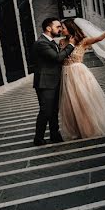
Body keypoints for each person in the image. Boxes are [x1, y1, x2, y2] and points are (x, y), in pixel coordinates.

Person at [57, 18, 105, 140]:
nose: (61, 30)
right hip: (66, 74)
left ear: (70, 28)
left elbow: (99, 38)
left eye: (63, 27)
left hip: (79, 73)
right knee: (71, 104)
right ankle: (76, 130)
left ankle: (89, 129)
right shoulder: (61, 42)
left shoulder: (83, 41)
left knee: (84, 102)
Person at [31, 17, 76, 146]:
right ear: (48, 28)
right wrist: (71, 45)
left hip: (53, 81)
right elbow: (57, 58)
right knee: (45, 110)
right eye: (58, 27)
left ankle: (54, 135)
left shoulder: (49, 41)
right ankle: (38, 138)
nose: (60, 29)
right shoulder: (42, 43)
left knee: (53, 110)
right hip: (45, 82)